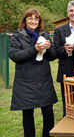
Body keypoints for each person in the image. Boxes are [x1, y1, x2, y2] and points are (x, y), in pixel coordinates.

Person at [9, 9, 58, 137]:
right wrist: (34, 49)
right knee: (27, 115)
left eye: (36, 19)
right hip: (25, 81)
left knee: (48, 113)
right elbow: (14, 55)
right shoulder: (17, 36)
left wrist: (48, 48)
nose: (33, 21)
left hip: (43, 80)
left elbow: (53, 56)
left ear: (39, 21)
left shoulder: (45, 35)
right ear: (24, 20)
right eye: (30, 18)